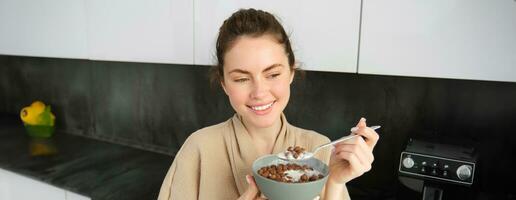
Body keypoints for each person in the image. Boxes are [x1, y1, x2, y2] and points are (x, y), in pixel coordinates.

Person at [158, 8, 379, 200]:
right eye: (242, 79)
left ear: (291, 72)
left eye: (272, 74)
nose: (260, 93)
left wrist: (336, 182)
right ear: (224, 83)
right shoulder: (198, 149)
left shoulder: (320, 151)